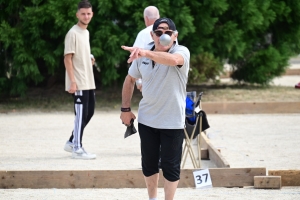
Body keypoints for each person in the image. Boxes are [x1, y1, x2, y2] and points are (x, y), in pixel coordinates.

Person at [120, 18, 190, 200]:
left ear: (175, 36)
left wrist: (144, 53)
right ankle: (152, 198)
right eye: (158, 33)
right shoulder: (142, 56)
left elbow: (173, 60)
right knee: (149, 164)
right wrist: (125, 108)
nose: (163, 36)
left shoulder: (181, 51)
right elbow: (129, 80)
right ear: (152, 35)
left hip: (172, 121)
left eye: (167, 32)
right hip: (147, 120)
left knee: (170, 166)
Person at [63, 0, 96, 160]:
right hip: (79, 82)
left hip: (88, 80)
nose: (86, 16)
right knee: (80, 115)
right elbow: (67, 58)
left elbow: (79, 54)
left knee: (89, 112)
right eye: (83, 13)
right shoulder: (73, 32)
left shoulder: (86, 32)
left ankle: (71, 141)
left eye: (88, 13)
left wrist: (89, 58)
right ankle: (77, 148)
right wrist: (73, 82)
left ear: (92, 14)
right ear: (77, 14)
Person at [133, 6, 160, 91]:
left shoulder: (143, 33)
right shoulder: (170, 33)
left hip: (148, 80)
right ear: (158, 17)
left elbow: (135, 57)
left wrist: (138, 80)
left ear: (146, 18)